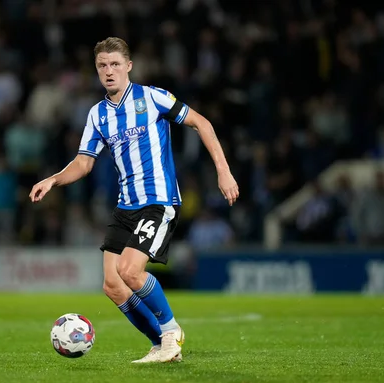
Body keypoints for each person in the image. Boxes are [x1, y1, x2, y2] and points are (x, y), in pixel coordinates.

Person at [30, 37, 239, 363]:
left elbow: (202, 123)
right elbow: (84, 163)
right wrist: (54, 179)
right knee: (113, 285)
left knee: (129, 270)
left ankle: (172, 331)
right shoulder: (98, 115)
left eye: (115, 64)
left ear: (128, 66)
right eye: (102, 66)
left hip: (158, 202)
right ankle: (162, 346)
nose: (109, 71)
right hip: (126, 206)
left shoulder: (152, 97)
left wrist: (223, 172)